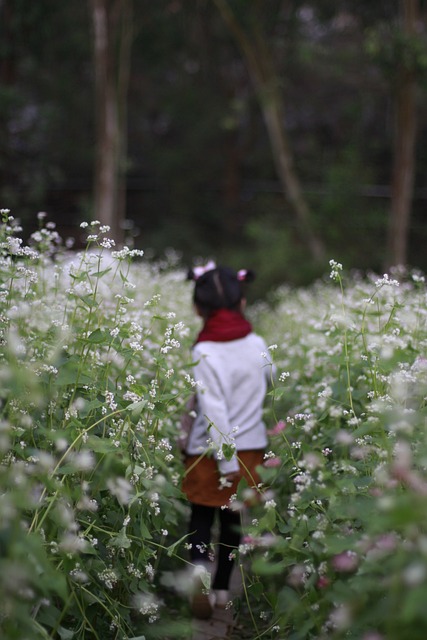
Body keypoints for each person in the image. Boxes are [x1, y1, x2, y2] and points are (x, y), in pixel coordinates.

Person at [181, 261, 271, 619]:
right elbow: (270, 379)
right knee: (232, 520)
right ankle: (220, 590)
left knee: (201, 517)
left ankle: (200, 578)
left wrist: (224, 459)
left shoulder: (204, 351)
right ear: (243, 302)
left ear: (197, 308)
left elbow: (213, 409)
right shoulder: (258, 343)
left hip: (209, 452)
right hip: (250, 448)